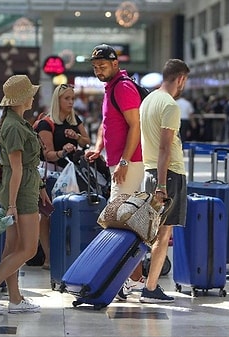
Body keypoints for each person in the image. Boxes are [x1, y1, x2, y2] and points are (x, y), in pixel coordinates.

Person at [0, 74, 48, 314]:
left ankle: (14, 298)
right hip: (20, 192)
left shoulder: (16, 122)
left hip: (23, 187)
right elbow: (16, 169)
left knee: (12, 247)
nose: (33, 97)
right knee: (28, 249)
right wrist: (13, 205)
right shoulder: (14, 126)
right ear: (22, 98)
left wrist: (39, 187)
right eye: (30, 94)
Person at [84, 44, 145, 299]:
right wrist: (99, 148)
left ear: (115, 64)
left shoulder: (123, 87)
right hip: (119, 163)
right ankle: (135, 279)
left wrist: (124, 161)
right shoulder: (111, 88)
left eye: (103, 66)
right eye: (95, 67)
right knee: (126, 219)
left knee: (119, 219)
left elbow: (135, 125)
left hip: (129, 164)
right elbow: (108, 125)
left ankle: (130, 279)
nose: (99, 70)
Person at [139, 58, 190, 303]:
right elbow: (165, 148)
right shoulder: (170, 105)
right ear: (180, 78)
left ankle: (140, 281)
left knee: (148, 232)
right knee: (162, 234)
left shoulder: (148, 100)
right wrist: (162, 185)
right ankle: (150, 288)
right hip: (167, 175)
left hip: (150, 171)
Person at [34, 83, 90, 269]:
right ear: (57, 100)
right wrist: (62, 151)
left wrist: (75, 137)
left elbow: (87, 141)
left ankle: (66, 254)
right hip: (51, 174)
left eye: (73, 98)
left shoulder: (75, 120)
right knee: (48, 215)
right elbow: (47, 153)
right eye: (67, 98)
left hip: (72, 176)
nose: (71, 102)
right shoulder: (47, 123)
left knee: (69, 213)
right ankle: (49, 257)